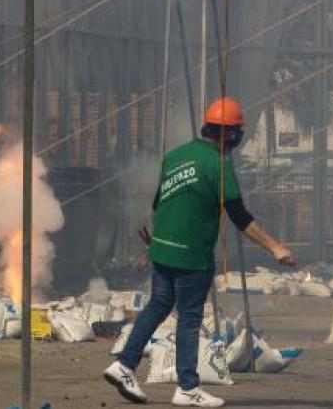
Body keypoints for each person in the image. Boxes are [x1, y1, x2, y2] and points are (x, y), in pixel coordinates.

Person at [103, 97, 296, 407]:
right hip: (191, 256)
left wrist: (155, 243)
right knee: (190, 319)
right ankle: (187, 387)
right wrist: (276, 247)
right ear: (231, 135)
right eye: (237, 132)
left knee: (158, 304)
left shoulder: (176, 156)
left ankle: (124, 364)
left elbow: (159, 204)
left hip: (162, 248)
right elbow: (239, 216)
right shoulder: (218, 165)